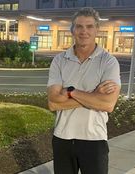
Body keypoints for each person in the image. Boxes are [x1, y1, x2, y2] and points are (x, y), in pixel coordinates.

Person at [47, 7, 121, 174]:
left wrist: (71, 92)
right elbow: (52, 102)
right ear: (72, 29)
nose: (84, 31)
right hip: (62, 138)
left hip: (94, 139)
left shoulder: (108, 62)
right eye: (79, 26)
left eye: (89, 26)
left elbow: (108, 104)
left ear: (97, 29)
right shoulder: (59, 60)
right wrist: (94, 97)